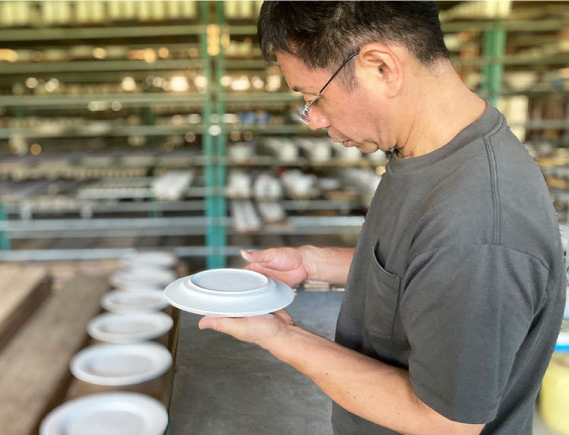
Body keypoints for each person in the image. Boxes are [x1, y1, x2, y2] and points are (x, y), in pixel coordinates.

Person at [198, 2, 566, 434]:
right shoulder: (425, 152)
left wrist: (280, 337)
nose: (313, 120)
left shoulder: (479, 224)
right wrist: (313, 263)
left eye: (313, 97)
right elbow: (422, 271)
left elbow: (444, 423)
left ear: (380, 67)